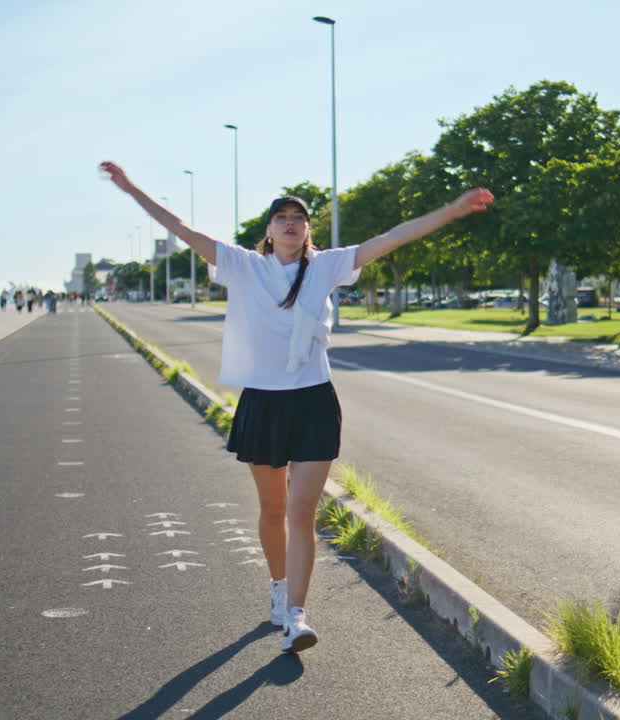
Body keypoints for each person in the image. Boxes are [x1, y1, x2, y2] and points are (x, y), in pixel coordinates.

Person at [99, 161, 493, 653]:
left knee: (303, 512)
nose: (290, 223)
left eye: (299, 218)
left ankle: (297, 616)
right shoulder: (243, 266)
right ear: (268, 230)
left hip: (313, 401)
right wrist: (132, 187)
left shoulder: (326, 265)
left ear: (307, 230)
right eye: (281, 216)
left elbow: (393, 237)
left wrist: (453, 210)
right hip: (262, 402)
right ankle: (279, 588)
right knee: (273, 509)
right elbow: (178, 227)